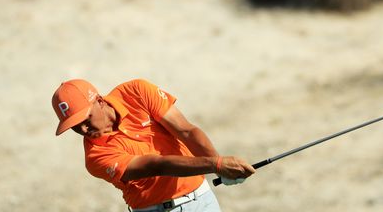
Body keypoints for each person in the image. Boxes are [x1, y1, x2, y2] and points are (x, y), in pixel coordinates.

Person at [51, 78, 255, 211]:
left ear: (100, 101)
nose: (83, 130)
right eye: (74, 126)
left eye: (85, 120)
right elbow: (157, 165)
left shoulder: (136, 92)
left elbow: (185, 131)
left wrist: (220, 165)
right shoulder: (96, 157)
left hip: (202, 202)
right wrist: (216, 165)